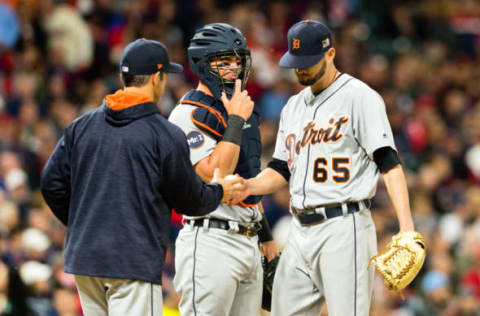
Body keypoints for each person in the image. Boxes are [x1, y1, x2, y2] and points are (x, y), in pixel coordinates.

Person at [40, 38, 244, 316]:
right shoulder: (164, 134)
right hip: (132, 262)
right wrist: (219, 191)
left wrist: (84, 224)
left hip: (87, 260)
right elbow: (190, 201)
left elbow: (51, 184)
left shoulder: (81, 126)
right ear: (157, 78)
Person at [234, 20, 418, 315]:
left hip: (345, 225)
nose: (300, 69)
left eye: (308, 62)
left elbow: (389, 163)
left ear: (330, 54)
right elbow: (281, 169)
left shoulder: (360, 97)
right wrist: (250, 186)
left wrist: (407, 228)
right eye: (295, 63)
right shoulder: (293, 106)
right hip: (299, 230)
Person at [168, 23, 278, 316]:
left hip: (248, 237)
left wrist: (265, 235)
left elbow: (247, 178)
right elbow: (216, 175)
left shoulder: (239, 109)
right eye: (224, 61)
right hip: (210, 240)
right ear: (203, 64)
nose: (234, 68)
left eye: (238, 60)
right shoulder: (187, 113)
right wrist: (235, 121)